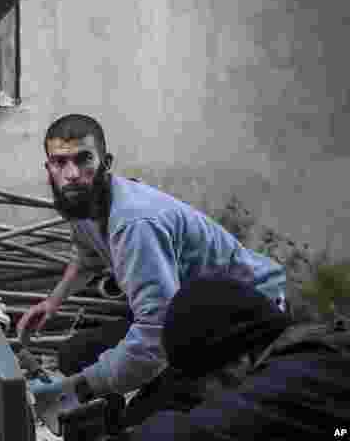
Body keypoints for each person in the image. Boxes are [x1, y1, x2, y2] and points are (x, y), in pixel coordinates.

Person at [20, 113, 286, 429]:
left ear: (106, 162)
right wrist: (53, 302)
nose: (72, 173)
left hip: (244, 321)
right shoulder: (80, 202)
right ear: (48, 168)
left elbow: (155, 333)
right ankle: (110, 413)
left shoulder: (134, 224)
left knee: (146, 422)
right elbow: (87, 256)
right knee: (74, 354)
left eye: (83, 159)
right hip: (185, 311)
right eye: (60, 162)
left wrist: (76, 388)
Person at [130, 274, 349, 440]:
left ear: (237, 363)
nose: (205, 401)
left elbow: (197, 433)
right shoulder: (316, 353)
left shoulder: (293, 379)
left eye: (202, 388)